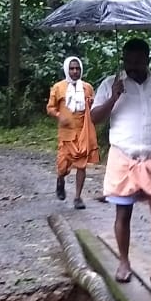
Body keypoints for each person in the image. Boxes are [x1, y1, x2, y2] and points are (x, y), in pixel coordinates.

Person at [91, 38, 151, 283]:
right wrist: (113, 97)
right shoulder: (111, 84)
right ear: (123, 59)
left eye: (137, 60)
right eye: (128, 60)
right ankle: (123, 262)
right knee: (123, 214)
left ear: (147, 59)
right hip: (124, 158)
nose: (132, 65)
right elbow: (93, 119)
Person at [46, 56, 100, 209]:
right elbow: (50, 108)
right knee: (63, 165)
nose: (75, 71)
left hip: (83, 132)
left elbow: (94, 108)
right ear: (66, 70)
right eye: (72, 68)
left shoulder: (87, 87)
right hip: (66, 134)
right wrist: (59, 115)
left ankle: (77, 197)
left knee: (81, 165)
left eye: (77, 68)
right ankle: (60, 179)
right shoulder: (58, 87)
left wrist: (91, 105)